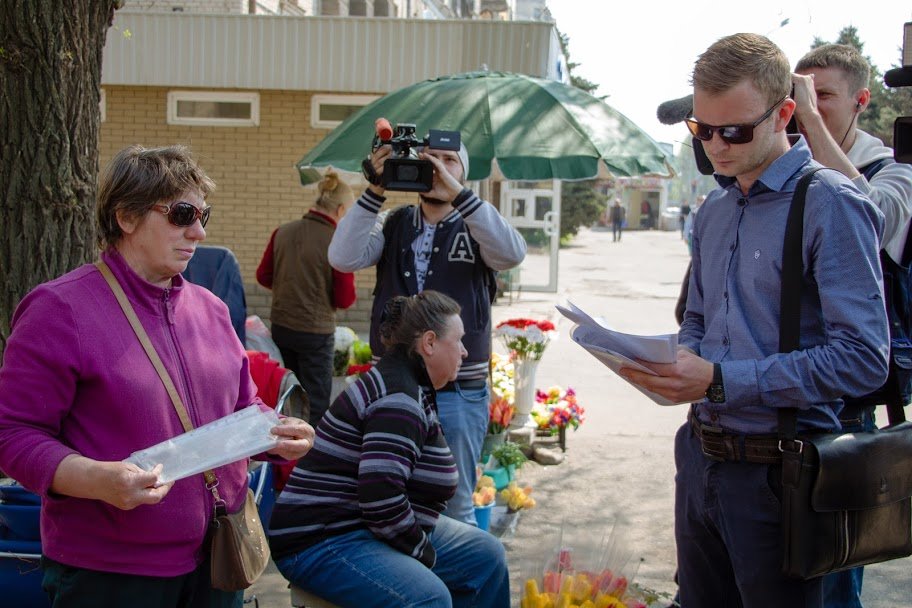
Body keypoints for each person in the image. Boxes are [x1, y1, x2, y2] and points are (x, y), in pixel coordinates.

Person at [620, 34, 888, 607]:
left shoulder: (831, 202)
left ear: (785, 113)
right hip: (700, 459)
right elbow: (697, 316)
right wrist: (676, 362)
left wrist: (720, 380)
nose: (716, 145)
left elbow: (865, 359)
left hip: (784, 474)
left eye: (734, 130)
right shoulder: (716, 208)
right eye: (702, 129)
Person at [0, 144, 315, 608]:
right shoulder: (60, 309)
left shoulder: (210, 308)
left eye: (204, 213)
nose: (199, 230)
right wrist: (98, 480)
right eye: (182, 213)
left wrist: (272, 432)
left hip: (217, 559)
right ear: (126, 217)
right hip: (112, 574)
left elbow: (243, 405)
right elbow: (14, 433)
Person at [268, 291, 511, 608]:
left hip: (361, 526)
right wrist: (422, 552)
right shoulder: (398, 399)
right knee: (429, 597)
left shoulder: (410, 383)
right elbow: (382, 500)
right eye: (459, 341)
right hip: (320, 539)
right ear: (429, 343)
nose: (465, 351)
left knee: (486, 557)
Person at [328, 138, 526, 525]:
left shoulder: (478, 224)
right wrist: (375, 189)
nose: (437, 168)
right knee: (388, 499)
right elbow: (342, 257)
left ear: (464, 173)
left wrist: (461, 196)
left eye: (449, 161)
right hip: (394, 390)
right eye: (428, 160)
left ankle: (455, 585)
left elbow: (512, 254)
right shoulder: (395, 222)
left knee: (455, 508)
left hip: (458, 391)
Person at [793, 43, 912, 608]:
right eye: (801, 93)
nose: (808, 106)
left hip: (846, 394)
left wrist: (808, 123)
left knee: (832, 570)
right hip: (785, 385)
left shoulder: (896, 171)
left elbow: (873, 220)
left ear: (862, 101)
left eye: (824, 97)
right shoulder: (790, 163)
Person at [256, 169, 357, 426]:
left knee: (287, 393)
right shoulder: (337, 241)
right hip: (316, 334)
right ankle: (308, 458)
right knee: (316, 402)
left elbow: (263, 276)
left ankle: (285, 451)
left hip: (282, 326)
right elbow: (345, 298)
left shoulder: (283, 232)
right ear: (342, 209)